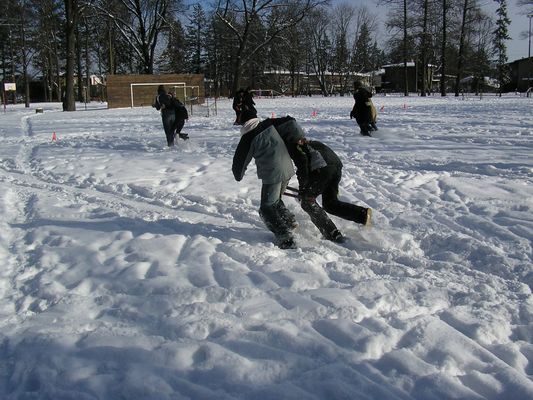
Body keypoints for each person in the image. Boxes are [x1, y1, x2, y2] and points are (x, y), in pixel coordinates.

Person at [232, 109, 298, 249]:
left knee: (266, 208)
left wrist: (238, 175)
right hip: (287, 168)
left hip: (273, 173)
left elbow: (239, 161)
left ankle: (286, 238)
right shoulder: (269, 124)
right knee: (275, 200)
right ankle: (290, 222)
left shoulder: (248, 137)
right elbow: (290, 121)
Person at [287, 136, 372, 243]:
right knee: (330, 203)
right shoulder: (312, 143)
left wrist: (303, 188)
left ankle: (332, 233)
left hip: (324, 169)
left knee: (307, 201)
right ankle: (362, 214)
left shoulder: (294, 146)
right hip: (335, 167)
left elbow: (302, 167)